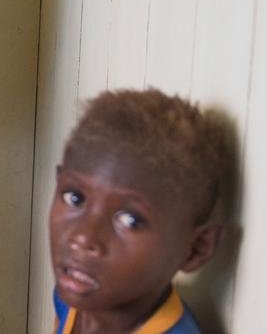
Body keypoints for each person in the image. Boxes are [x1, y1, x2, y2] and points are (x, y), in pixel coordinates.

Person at [49, 89, 230, 333]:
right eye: (75, 197)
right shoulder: (73, 295)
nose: (83, 238)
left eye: (130, 220)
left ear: (196, 249)